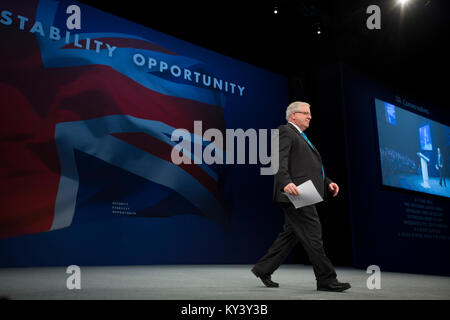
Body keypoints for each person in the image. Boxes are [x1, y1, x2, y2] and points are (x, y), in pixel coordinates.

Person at [251, 101, 351, 292]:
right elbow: (278, 159)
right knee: (313, 234)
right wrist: (285, 181)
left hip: (302, 190)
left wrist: (326, 181)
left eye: (310, 113)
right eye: (305, 113)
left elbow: (309, 167)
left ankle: (263, 269)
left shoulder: (301, 136)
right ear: (292, 116)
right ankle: (326, 279)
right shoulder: (286, 131)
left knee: (290, 235)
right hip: (296, 191)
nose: (309, 116)